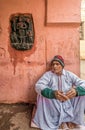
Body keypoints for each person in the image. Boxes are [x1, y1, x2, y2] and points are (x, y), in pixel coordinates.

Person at [32, 55, 85, 130]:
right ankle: (54, 121)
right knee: (41, 94)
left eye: (57, 64)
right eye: (53, 64)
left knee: (82, 94)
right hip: (53, 102)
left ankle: (76, 120)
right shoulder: (48, 75)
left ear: (62, 65)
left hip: (68, 100)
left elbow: (83, 83)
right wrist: (52, 93)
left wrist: (76, 91)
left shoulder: (69, 74)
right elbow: (38, 86)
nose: (54, 66)